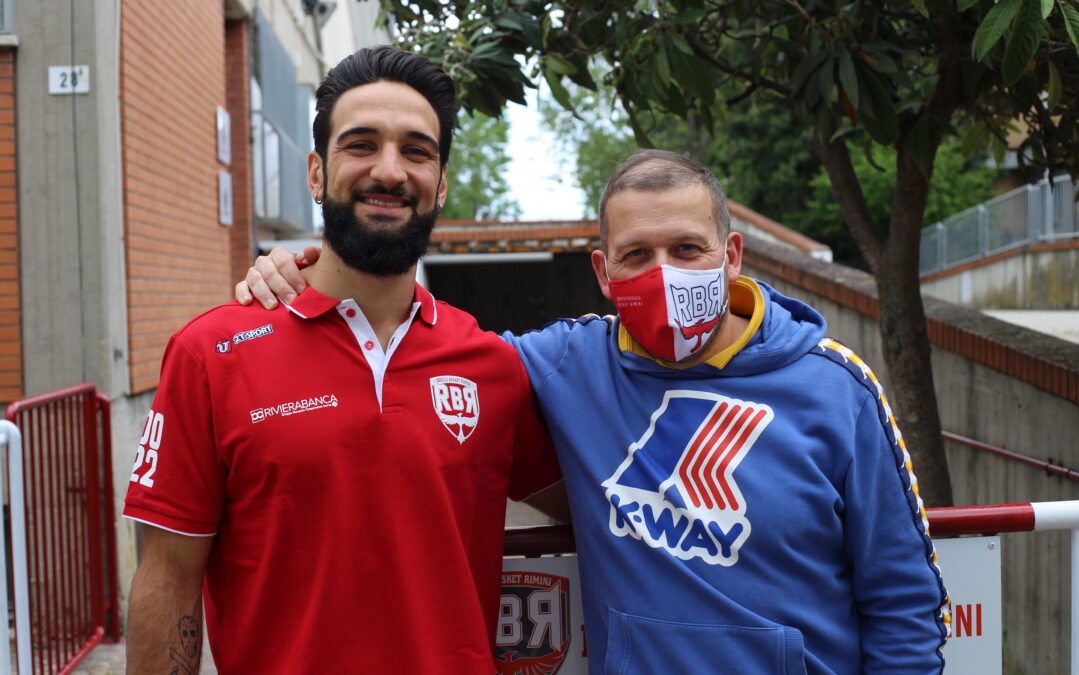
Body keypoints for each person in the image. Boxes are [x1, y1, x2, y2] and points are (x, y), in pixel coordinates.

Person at [242, 150, 951, 674]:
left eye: (686, 248)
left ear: (731, 256)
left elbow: (904, 605)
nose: (663, 272)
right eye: (636, 254)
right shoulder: (564, 367)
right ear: (602, 272)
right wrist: (301, 280)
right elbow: (419, 354)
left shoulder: (836, 388)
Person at [124, 46, 563, 675]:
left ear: (440, 184)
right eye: (361, 145)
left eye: (416, 150)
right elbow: (167, 578)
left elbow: (606, 515)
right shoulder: (210, 354)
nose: (390, 170)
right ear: (315, 172)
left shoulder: (492, 365)